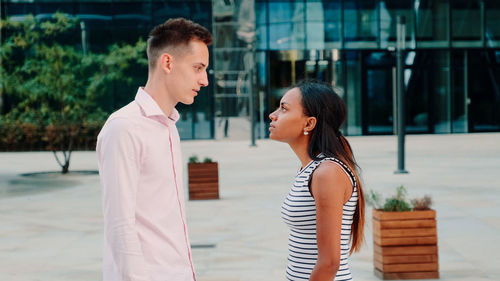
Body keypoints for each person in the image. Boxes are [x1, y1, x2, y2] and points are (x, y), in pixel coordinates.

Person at [96, 18, 212, 281]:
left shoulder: (168, 126)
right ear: (168, 63)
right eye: (198, 68)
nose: (204, 80)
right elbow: (119, 226)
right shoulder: (124, 127)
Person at [269, 81, 365, 281]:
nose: (273, 114)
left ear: (309, 123)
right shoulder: (310, 168)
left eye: (284, 108)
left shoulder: (327, 172)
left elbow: (330, 262)